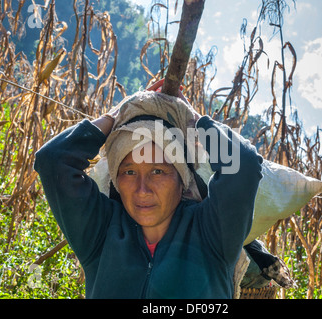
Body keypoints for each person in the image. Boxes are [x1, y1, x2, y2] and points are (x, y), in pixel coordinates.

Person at [34, 80, 263, 298]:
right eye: (129, 172)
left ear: (182, 178)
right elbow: (52, 161)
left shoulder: (211, 233)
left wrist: (187, 114)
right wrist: (120, 112)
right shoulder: (101, 233)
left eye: (158, 172)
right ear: (116, 180)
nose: (142, 190)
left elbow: (244, 164)